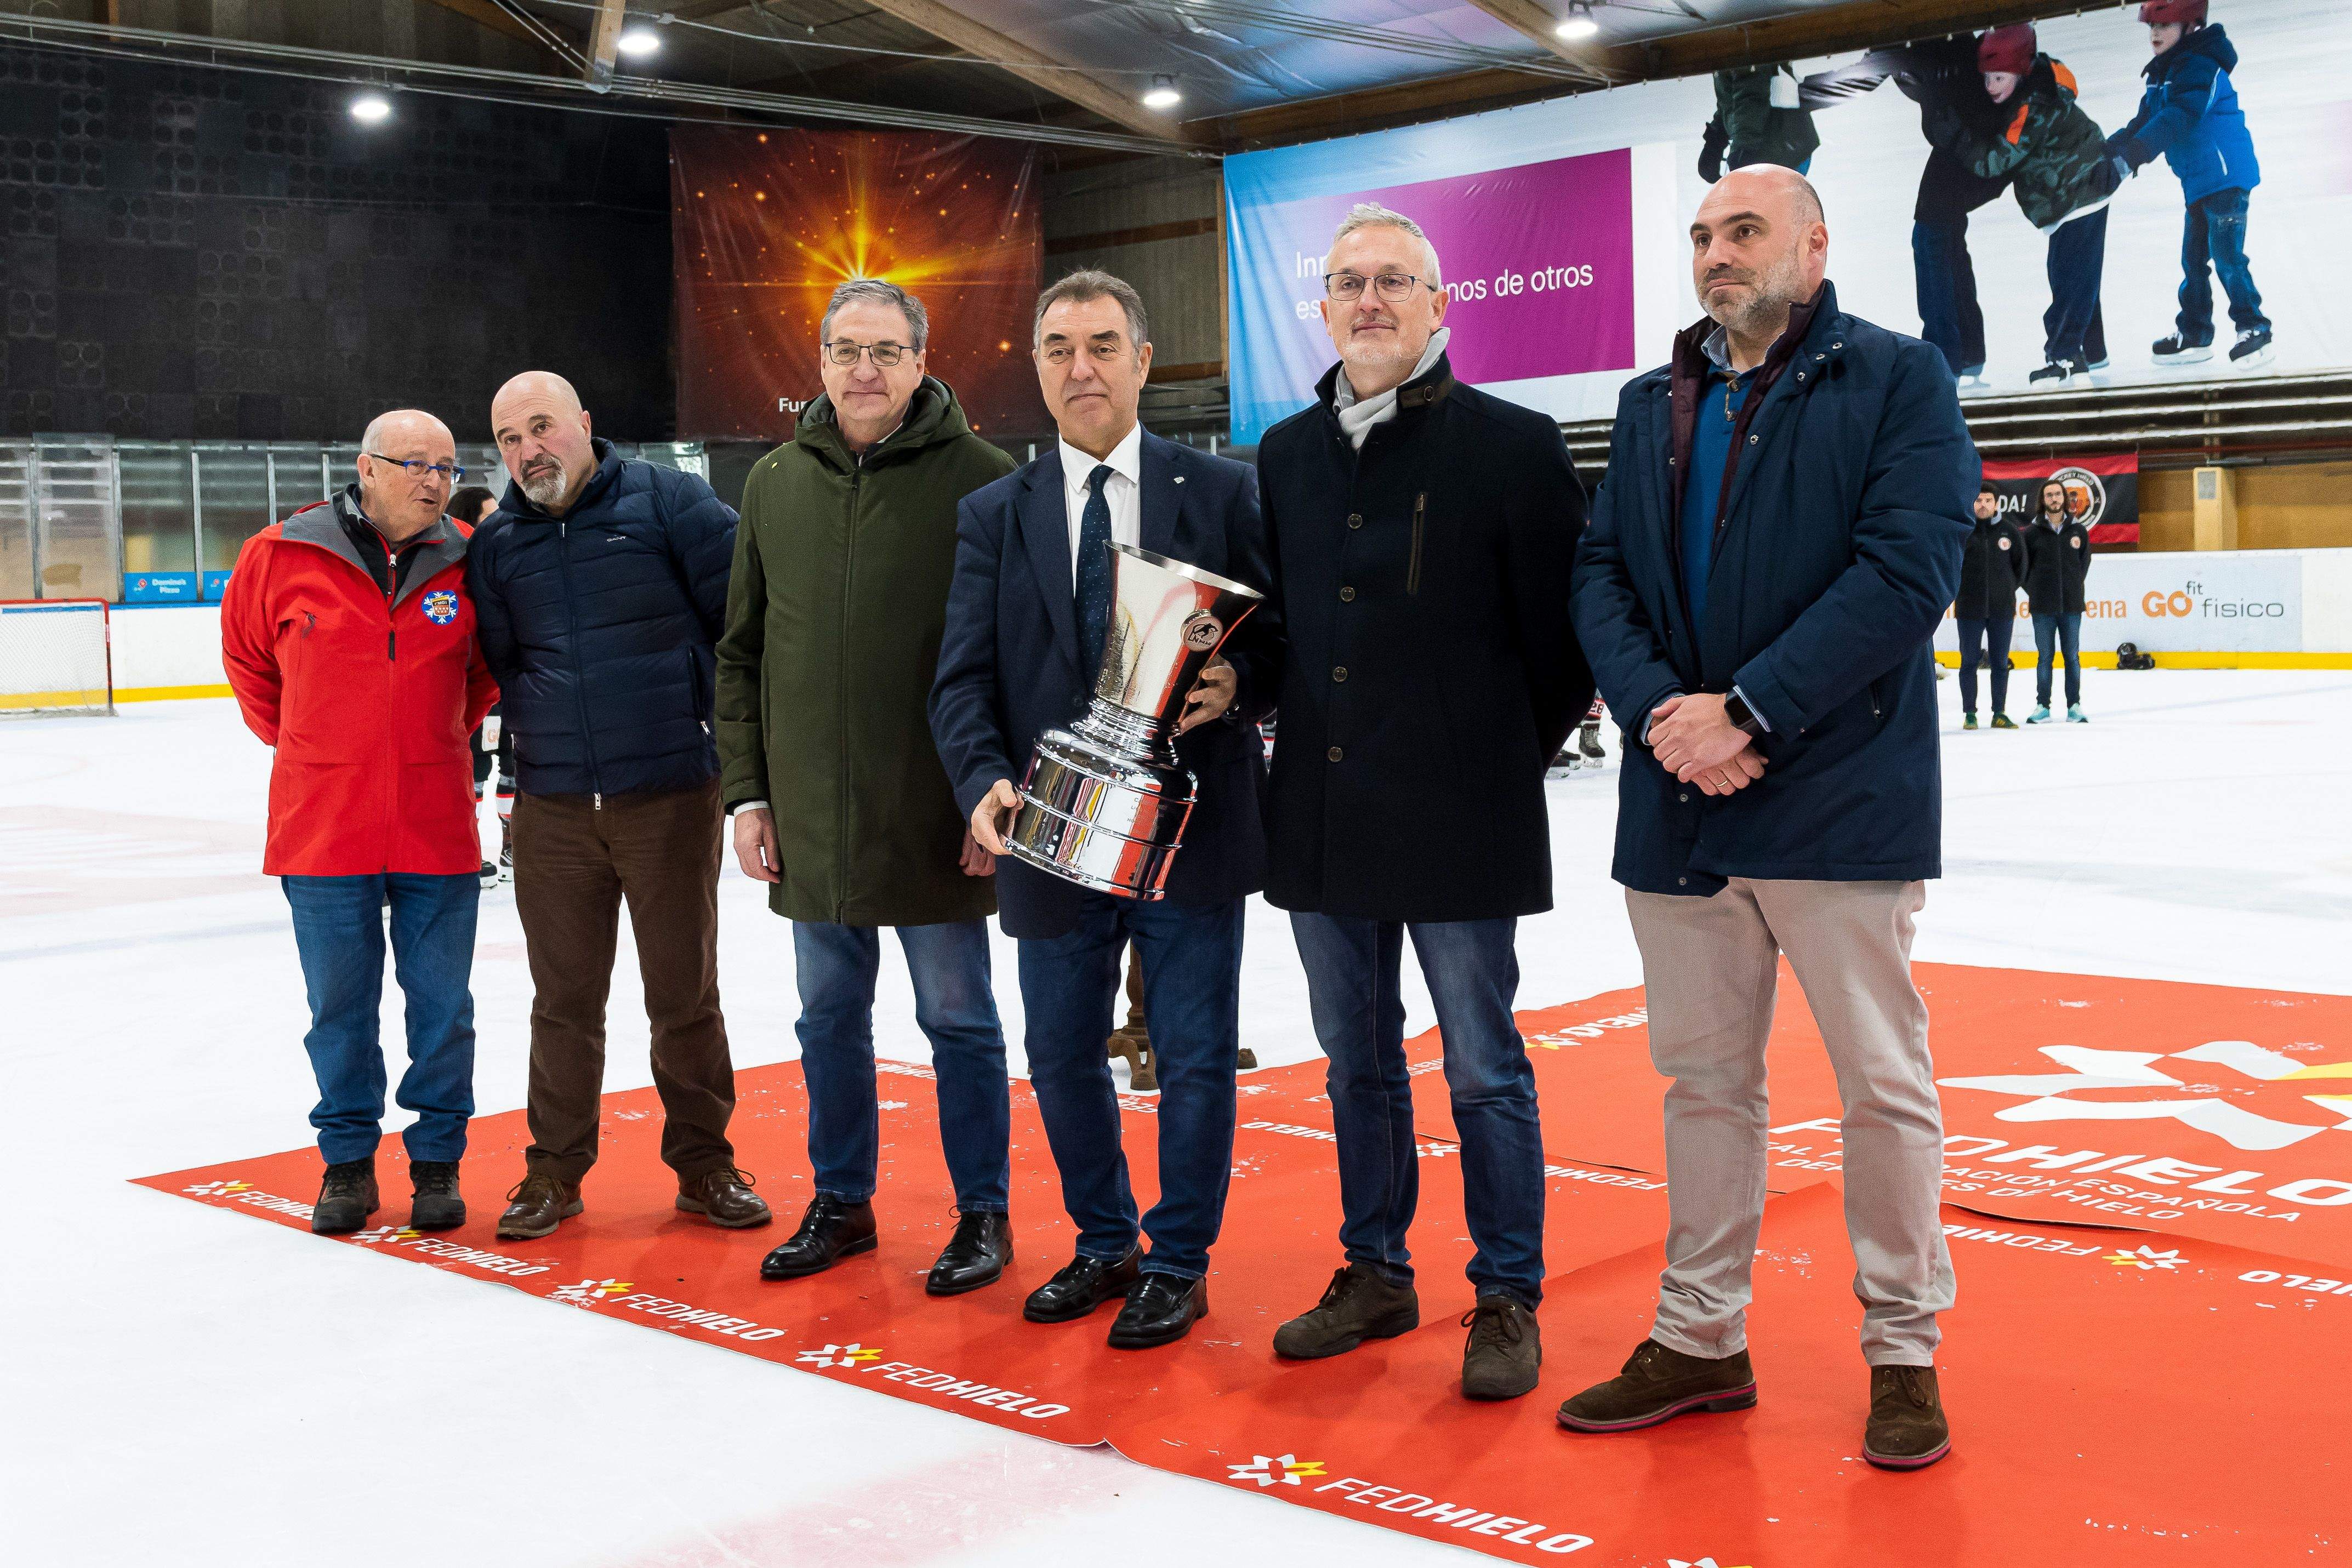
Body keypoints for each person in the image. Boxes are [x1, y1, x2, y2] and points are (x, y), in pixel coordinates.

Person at [1564, 167, 1975, 1469]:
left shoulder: (1898, 378)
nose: (1714, 255)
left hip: (1840, 795)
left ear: (1813, 242)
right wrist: (1661, 716)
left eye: (1742, 231)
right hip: (1679, 805)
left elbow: (1907, 570)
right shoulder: (1648, 401)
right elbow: (1602, 574)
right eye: (1699, 237)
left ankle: (1903, 1349)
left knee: (1880, 1086)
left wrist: (1745, 710)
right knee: (1703, 1086)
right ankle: (1701, 1337)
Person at [1253, 204, 1591, 1402]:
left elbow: (1563, 645)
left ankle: (1506, 1288)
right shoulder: (1286, 453)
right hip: (1323, 814)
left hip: (1461, 811)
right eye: (1348, 282)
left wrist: (1489, 753)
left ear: (1440, 305)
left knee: (1485, 1062)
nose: (1370, 300)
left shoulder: (1513, 443)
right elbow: (1279, 630)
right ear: (1326, 305)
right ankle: (1374, 1267)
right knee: (1354, 1059)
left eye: (1396, 280)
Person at [930, 270, 1275, 1350]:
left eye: (1101, 344)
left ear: (1142, 360)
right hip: (1048, 835)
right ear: (1035, 366)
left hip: (1191, 827)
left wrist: (1244, 688)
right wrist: (979, 776)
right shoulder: (994, 511)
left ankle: (1179, 1260)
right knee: (1061, 1049)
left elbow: (1283, 638)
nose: (1080, 366)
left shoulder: (1219, 491)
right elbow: (961, 676)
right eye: (1058, 347)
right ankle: (1102, 1240)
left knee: (1195, 1051)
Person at [715, 280, 1022, 1294]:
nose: (865, 370)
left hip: (936, 811)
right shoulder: (772, 484)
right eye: (847, 350)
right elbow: (742, 652)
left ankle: (983, 1211)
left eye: (886, 351)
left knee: (960, 1020)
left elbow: (1011, 660)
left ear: (923, 362)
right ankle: (842, 1202)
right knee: (828, 1018)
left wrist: (989, 794)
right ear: (820, 361)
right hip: (811, 818)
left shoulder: (982, 477)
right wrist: (748, 793)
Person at [466, 372, 770, 1241]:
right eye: (510, 438)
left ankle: (705, 1165)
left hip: (670, 794)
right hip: (556, 808)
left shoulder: (670, 502)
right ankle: (553, 1173)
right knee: (562, 1001)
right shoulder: (497, 547)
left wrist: (731, 753)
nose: (529, 450)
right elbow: (499, 663)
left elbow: (741, 631)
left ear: (585, 425)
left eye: (542, 428)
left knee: (684, 994)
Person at [219, 409, 498, 1235]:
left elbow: (485, 677)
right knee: (338, 1007)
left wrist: (433, 741)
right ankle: (346, 1165)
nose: (434, 480)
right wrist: (316, 746)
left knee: (444, 1007)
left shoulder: (469, 559)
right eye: (415, 463)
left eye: (446, 468)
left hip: (436, 824)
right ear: (365, 468)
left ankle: (437, 1160)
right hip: (322, 826)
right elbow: (248, 664)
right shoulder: (281, 553)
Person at [1934, 25, 2115, 387]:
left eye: (1998, 78)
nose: (1990, 87)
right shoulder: (2035, 85)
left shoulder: (2032, 110)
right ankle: (2092, 353)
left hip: (2079, 193)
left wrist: (1955, 137)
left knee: (2069, 278)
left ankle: (2063, 356)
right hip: (2074, 191)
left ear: (2021, 71)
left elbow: (1996, 161)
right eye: (1986, 78)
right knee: (2076, 273)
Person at [2106, 1, 2271, 369]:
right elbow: (2142, 123)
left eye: (2164, 26)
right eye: (2151, 27)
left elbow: (2178, 117)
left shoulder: (2200, 65)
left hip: (2225, 177)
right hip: (2198, 181)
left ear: (2190, 27)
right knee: (2193, 260)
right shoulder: (2162, 72)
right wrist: (2105, 153)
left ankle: (2253, 327)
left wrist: (2133, 155)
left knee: (2226, 256)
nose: (2154, 34)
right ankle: (2195, 333)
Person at [448, 484, 513, 887]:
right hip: (473, 688)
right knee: (477, 764)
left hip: (509, 684)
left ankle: (511, 849)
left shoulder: (504, 560)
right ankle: (469, 852)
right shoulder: (455, 568)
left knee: (513, 761)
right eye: (488, 517)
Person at [2021, 477, 2093, 724]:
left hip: (2072, 606)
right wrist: (2036, 590)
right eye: (2049, 495)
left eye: (2058, 495)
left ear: (2065, 498)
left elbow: (2083, 563)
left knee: (2072, 656)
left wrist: (2072, 586)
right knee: (2045, 657)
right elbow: (2023, 568)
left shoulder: (2078, 531)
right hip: (2042, 607)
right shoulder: (2031, 533)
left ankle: (2074, 705)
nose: (2054, 499)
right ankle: (2043, 706)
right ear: (2043, 500)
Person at [1956, 481, 2025, 729]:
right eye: (1978, 501)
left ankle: (1999, 712)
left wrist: (2005, 589)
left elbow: (2021, 567)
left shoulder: (2010, 531)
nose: (1982, 505)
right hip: (1968, 610)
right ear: (1971, 503)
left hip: (2002, 609)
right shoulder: (1962, 531)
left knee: (2000, 663)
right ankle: (1970, 713)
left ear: (1996, 504)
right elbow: (1951, 567)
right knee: (1968, 663)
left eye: (1987, 501)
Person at [1700, 65, 1818, 180]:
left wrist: (1743, 150)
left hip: (1785, 148)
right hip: (1769, 145)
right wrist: (1714, 144)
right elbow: (1730, 101)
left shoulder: (1749, 49)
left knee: (1762, 197)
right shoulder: (1720, 50)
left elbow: (1752, 97)